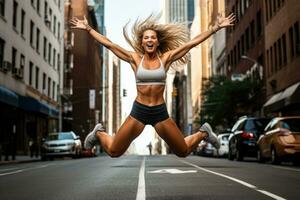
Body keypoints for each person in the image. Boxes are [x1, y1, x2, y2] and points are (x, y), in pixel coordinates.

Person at [70, 13, 235, 157]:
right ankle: (99, 132)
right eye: (146, 37)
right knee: (114, 151)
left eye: (153, 37)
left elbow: (190, 44)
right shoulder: (135, 59)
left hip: (159, 112)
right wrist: (88, 29)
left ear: (157, 42)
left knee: (183, 151)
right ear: (142, 42)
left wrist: (215, 28)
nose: (149, 40)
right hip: (139, 111)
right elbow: (110, 45)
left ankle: (204, 132)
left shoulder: (166, 59)